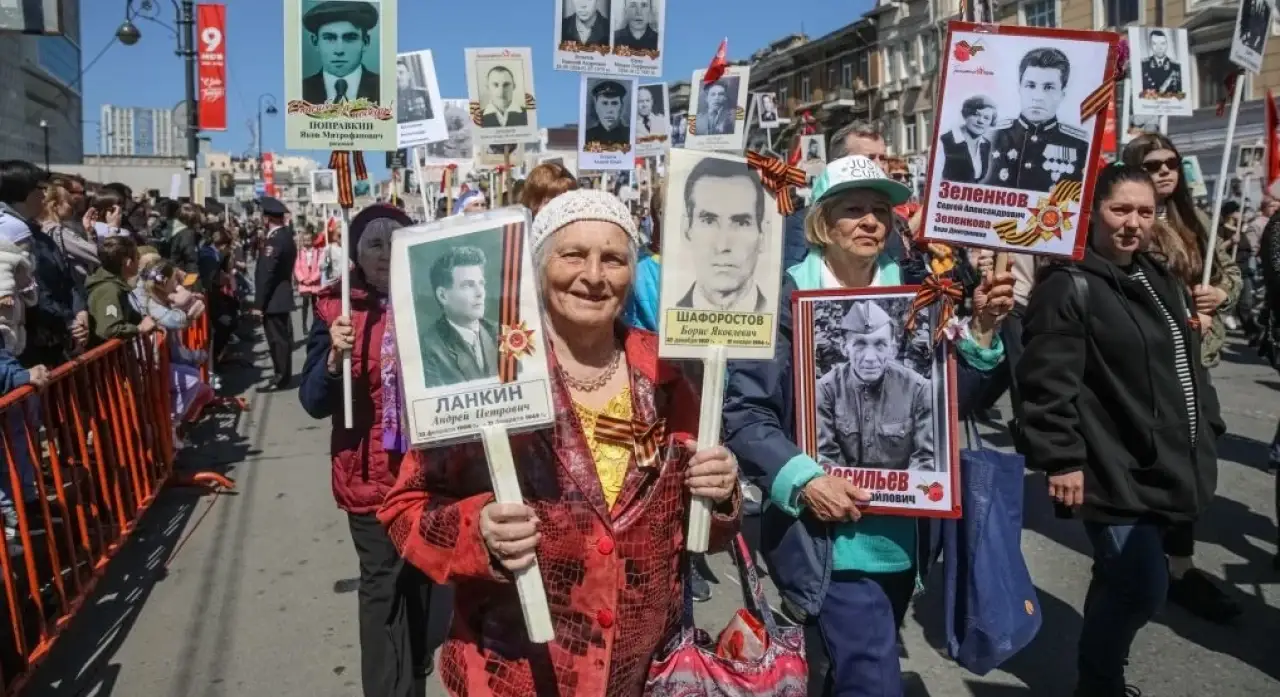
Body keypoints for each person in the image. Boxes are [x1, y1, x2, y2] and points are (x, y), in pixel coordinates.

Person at [378, 189, 742, 697]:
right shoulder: (487, 369)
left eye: (612, 258)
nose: (593, 275)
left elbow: (700, 521)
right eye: (573, 255)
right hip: (517, 672)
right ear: (539, 266)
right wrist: (479, 532)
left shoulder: (665, 369)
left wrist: (721, 492)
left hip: (644, 671)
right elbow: (405, 510)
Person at [722, 156, 1012, 697]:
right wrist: (806, 481)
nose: (871, 221)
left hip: (905, 536)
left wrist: (983, 332)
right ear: (822, 223)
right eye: (853, 209)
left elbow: (953, 405)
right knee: (873, 679)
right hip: (827, 540)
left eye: (880, 210)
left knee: (849, 669)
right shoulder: (778, 299)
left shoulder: (921, 294)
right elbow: (745, 413)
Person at [1017, 163, 1224, 697]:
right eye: (1121, 209)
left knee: (1120, 577)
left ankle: (1099, 676)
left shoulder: (1157, 276)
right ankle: (1100, 683)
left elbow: (1185, 361)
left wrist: (1209, 421)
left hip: (1161, 458)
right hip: (1109, 465)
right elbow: (1046, 383)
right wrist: (1061, 458)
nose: (1134, 223)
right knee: (1141, 586)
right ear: (1092, 212)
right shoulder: (1067, 284)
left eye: (1146, 212)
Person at [299, 205, 436, 697]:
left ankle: (416, 663)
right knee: (382, 586)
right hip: (368, 475)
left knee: (423, 577)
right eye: (374, 244)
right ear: (356, 254)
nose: (385, 253)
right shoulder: (333, 309)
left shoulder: (430, 297)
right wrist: (334, 359)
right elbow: (313, 401)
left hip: (426, 472)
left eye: (394, 242)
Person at [818, 301, 934, 471]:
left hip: (904, 487)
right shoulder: (826, 390)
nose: (870, 357)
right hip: (842, 486)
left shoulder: (918, 390)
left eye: (880, 345)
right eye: (860, 344)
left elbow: (926, 459)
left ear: (893, 348)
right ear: (844, 347)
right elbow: (824, 458)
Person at [0, 160, 88, 368]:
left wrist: (79, 311)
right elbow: (34, 289)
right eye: (40, 188)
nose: (44, 195)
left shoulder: (36, 233)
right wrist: (68, 322)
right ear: (24, 192)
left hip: (52, 337)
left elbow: (66, 277)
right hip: (26, 346)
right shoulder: (12, 231)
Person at [982, 47, 1089, 193]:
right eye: (1030, 85)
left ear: (1062, 94)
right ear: (1020, 88)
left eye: (1049, 87)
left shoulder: (1080, 145)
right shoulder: (990, 135)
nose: (1038, 97)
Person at [134, 260, 213, 447]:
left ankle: (173, 428)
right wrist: (189, 313)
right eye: (173, 281)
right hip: (145, 365)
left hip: (156, 363)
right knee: (193, 381)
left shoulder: (155, 296)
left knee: (205, 391)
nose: (177, 285)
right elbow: (175, 320)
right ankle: (168, 425)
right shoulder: (148, 300)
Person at [674, 156, 769, 312]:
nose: (722, 245)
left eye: (741, 223)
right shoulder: (662, 321)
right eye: (708, 221)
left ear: (763, 235)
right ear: (686, 231)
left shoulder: (784, 315)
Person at [417, 245, 498, 387]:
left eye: (481, 283)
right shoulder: (428, 350)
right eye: (468, 285)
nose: (480, 293)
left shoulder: (502, 333)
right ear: (443, 296)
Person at [255, 197, 299, 391]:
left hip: (274, 299)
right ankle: (283, 375)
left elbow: (266, 274)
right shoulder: (286, 236)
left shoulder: (275, 240)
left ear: (267, 218)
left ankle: (281, 377)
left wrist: (258, 304)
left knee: (277, 340)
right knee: (281, 339)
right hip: (280, 296)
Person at [301, 1, 381, 105]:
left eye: (350, 38)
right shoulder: (300, 89)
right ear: (315, 42)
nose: (339, 50)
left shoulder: (383, 86)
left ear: (365, 42)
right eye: (329, 38)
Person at [86, 236, 156, 347]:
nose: (139, 261)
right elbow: (109, 329)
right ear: (128, 262)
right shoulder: (109, 290)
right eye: (137, 257)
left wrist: (148, 321)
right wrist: (139, 328)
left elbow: (132, 316)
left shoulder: (117, 285)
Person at [940, 95, 997, 183]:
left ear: (991, 122)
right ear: (966, 114)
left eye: (986, 118)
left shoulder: (985, 144)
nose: (981, 121)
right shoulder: (945, 141)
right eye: (976, 115)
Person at [168, 202, 204, 292]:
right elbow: (191, 263)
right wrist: (190, 288)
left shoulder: (171, 231)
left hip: (168, 279)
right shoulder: (187, 234)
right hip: (181, 282)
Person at [294, 229, 324, 333]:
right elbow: (297, 267)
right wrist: (302, 279)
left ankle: (315, 324)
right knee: (305, 303)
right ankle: (304, 325)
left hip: (314, 283)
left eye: (309, 240)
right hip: (304, 283)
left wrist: (312, 279)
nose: (307, 242)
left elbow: (320, 268)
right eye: (305, 240)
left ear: (312, 240)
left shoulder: (318, 251)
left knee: (315, 305)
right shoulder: (299, 252)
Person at [584, 79, 630, 147]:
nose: (609, 110)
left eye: (614, 103)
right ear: (596, 107)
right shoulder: (586, 136)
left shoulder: (630, 135)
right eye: (604, 103)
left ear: (622, 107)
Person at [1140, 29, 1182, 96]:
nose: (1159, 48)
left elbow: (1180, 93)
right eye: (1154, 44)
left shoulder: (1176, 66)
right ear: (1150, 45)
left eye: (1162, 43)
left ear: (1167, 44)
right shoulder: (1143, 65)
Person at [395, 58, 433, 122]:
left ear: (408, 75)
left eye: (401, 72)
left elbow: (431, 118)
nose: (397, 76)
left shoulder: (423, 93)